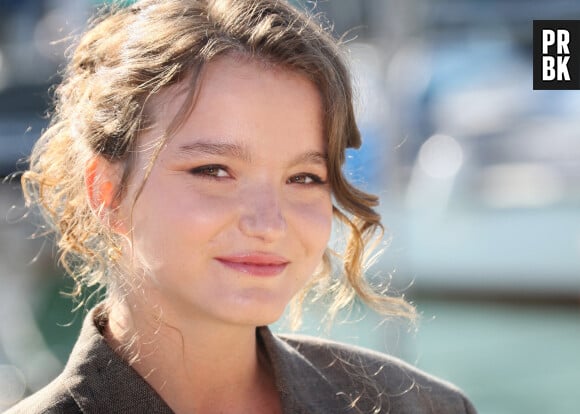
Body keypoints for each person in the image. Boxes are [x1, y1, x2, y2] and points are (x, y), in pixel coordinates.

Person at [7, 0, 477, 413]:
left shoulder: (421, 406)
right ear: (104, 191)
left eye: (304, 178)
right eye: (214, 170)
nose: (269, 224)